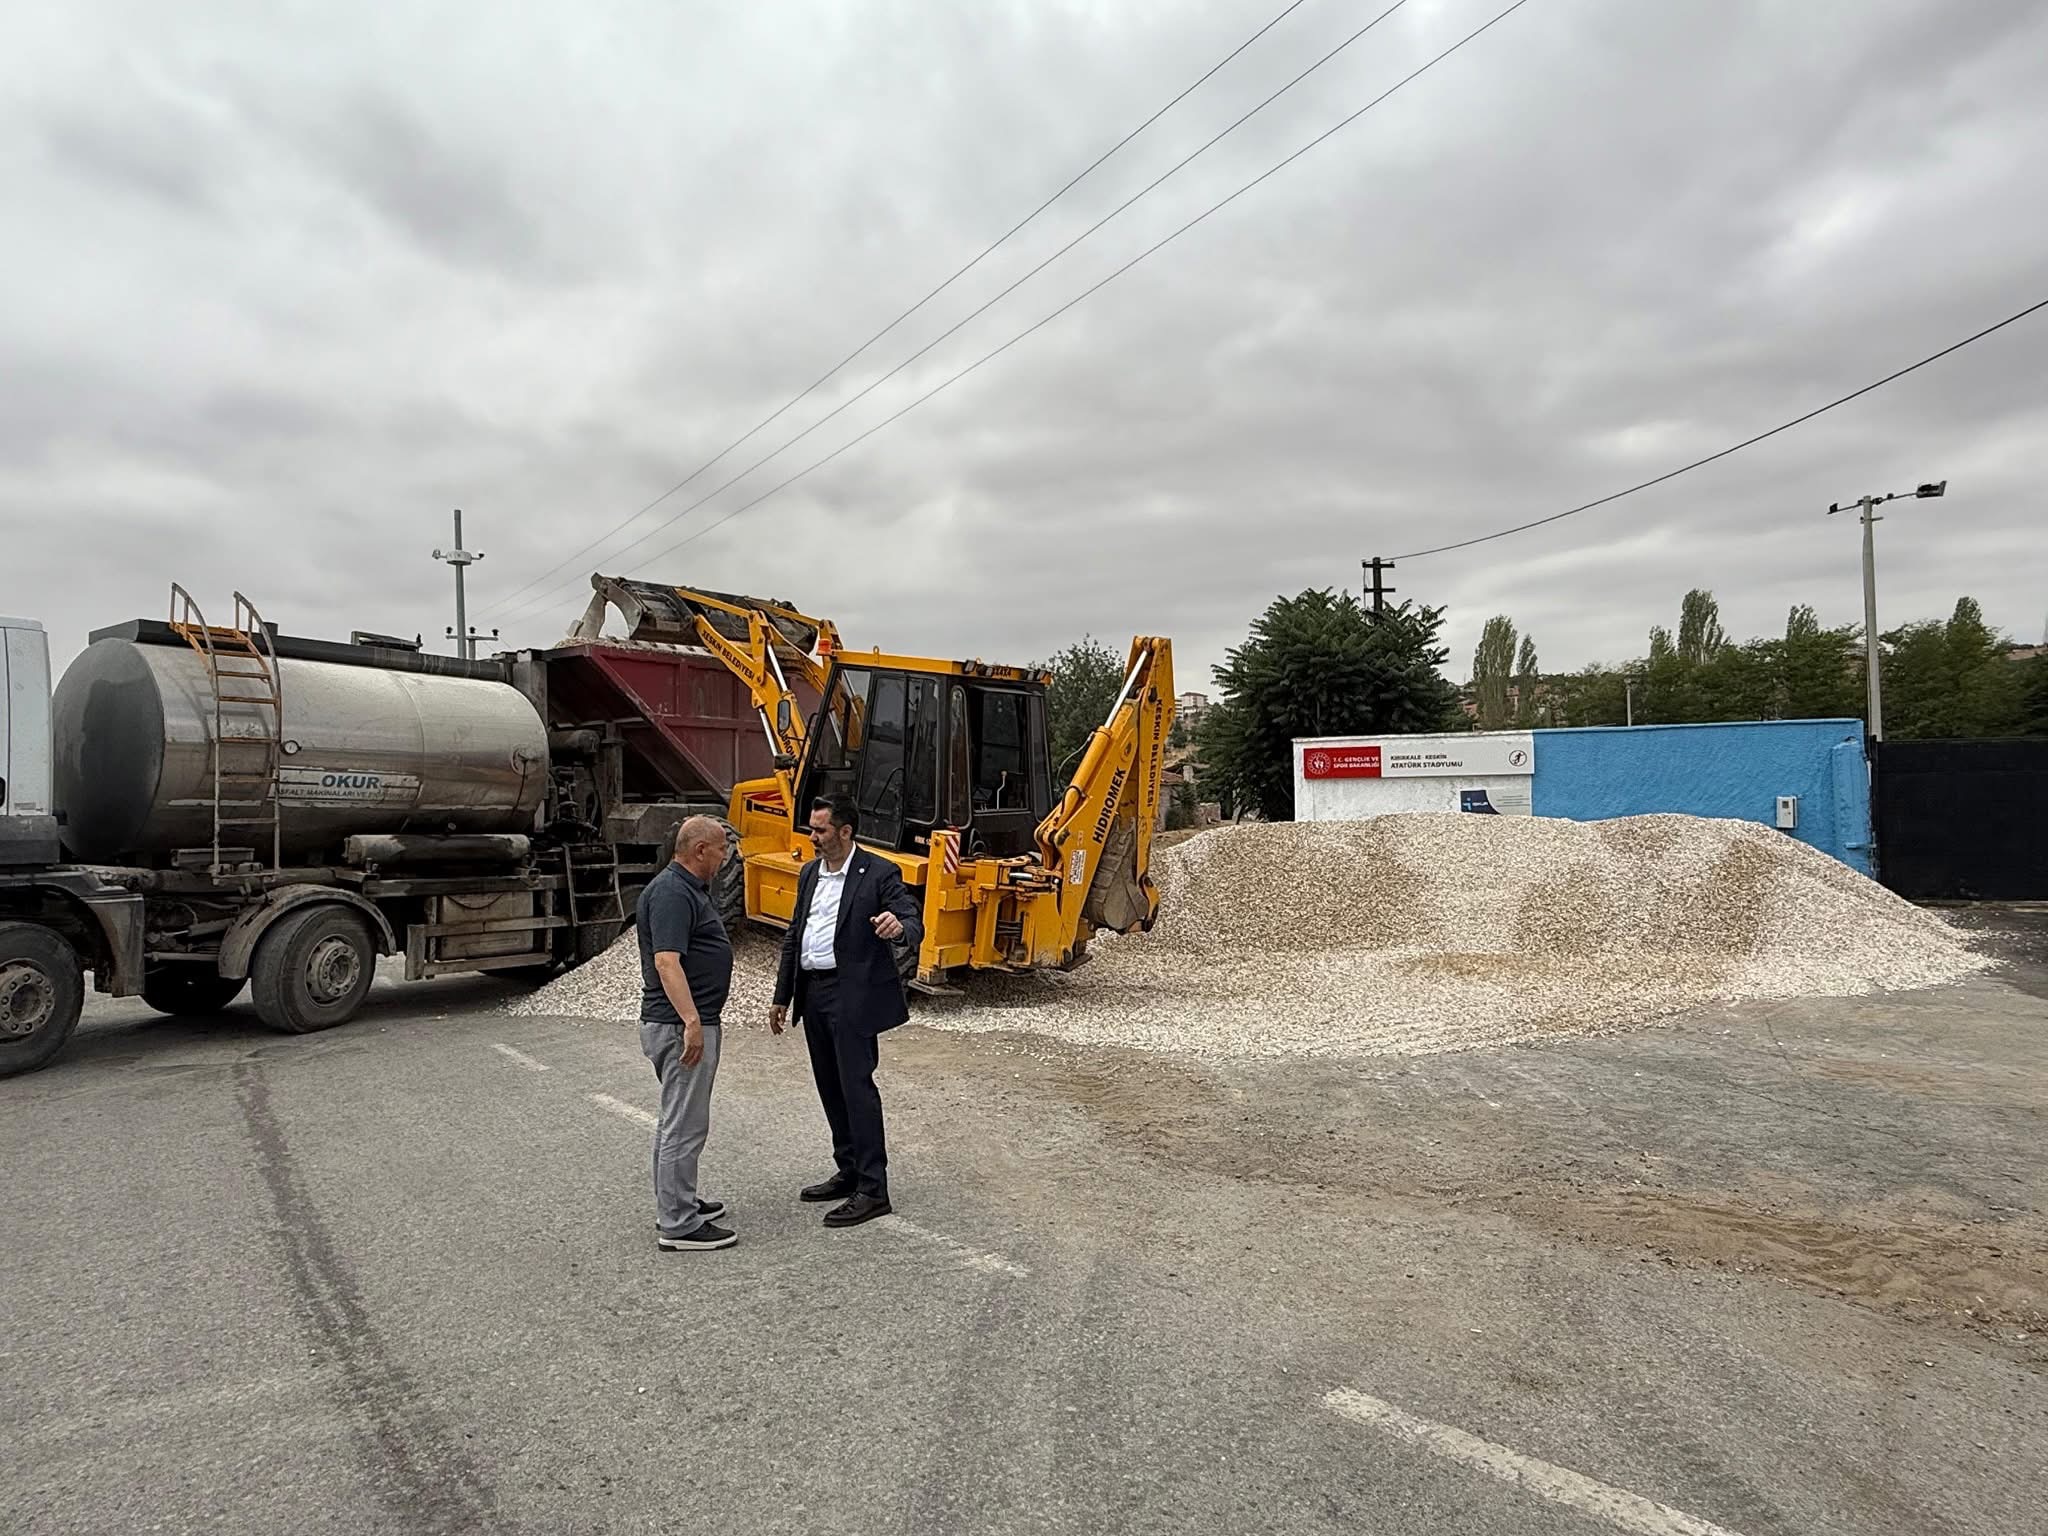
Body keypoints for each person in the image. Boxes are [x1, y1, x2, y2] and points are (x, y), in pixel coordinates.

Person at [770, 795, 923, 1228]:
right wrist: (783, 994)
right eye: (812, 829)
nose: (812, 837)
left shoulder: (878, 872)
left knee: (856, 1088)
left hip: (851, 995)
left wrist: (898, 927)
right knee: (830, 1086)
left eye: (820, 830)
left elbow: (912, 919)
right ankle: (850, 1169)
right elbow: (795, 933)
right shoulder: (809, 873)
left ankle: (873, 1189)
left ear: (845, 831)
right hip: (813, 992)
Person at [638, 816, 737, 1252]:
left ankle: (678, 1200)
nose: (724, 858)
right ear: (699, 850)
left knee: (677, 1120)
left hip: (684, 1021)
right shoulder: (672, 893)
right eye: (721, 850)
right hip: (679, 1025)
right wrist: (692, 1022)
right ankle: (678, 1222)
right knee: (685, 1125)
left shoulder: (685, 889)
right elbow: (666, 961)